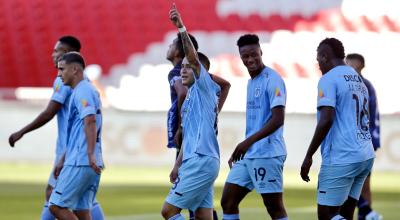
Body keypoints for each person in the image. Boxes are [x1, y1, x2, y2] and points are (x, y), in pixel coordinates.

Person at [8, 36, 104, 220]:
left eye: (57, 51)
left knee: (55, 201)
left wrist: (21, 132)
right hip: (76, 154)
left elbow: (52, 113)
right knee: (82, 207)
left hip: (77, 156)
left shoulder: (75, 85)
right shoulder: (86, 85)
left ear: (69, 58)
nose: (53, 55)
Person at [300, 38, 375, 220]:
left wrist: (309, 155)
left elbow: (326, 119)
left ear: (325, 56)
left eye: (318, 59)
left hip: (342, 157)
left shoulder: (328, 79)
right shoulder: (357, 78)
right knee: (346, 213)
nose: (318, 64)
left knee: (326, 215)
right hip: (365, 154)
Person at [166, 17, 230, 220]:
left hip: (201, 161)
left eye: (188, 66)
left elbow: (195, 60)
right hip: (198, 159)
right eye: (182, 66)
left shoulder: (204, 89)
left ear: (200, 72)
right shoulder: (191, 98)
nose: (183, 69)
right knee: (203, 216)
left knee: (168, 212)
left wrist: (181, 27)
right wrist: (177, 164)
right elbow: (189, 136)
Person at [220, 34, 289, 220]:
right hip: (250, 153)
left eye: (254, 54)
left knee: (274, 208)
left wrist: (246, 142)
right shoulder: (251, 82)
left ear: (261, 52)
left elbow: (278, 119)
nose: (250, 59)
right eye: (245, 56)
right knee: (228, 201)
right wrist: (245, 146)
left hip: (267, 153)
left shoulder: (272, 79)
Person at [49, 52, 103, 220]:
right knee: (82, 211)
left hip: (81, 161)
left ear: (74, 70)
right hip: (85, 160)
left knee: (56, 206)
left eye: (62, 69)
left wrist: (89, 154)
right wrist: (63, 158)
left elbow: (90, 120)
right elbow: (77, 131)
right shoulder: (84, 90)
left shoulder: (83, 90)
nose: (58, 74)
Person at [345, 53, 382, 220]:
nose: (349, 66)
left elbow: (372, 115)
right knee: (355, 183)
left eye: (352, 64)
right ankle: (366, 213)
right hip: (355, 141)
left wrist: (374, 139)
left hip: (362, 141)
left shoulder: (365, 85)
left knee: (360, 183)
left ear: (361, 66)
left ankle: (365, 213)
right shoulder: (350, 84)